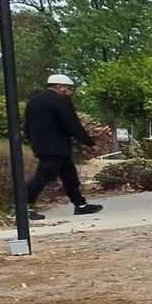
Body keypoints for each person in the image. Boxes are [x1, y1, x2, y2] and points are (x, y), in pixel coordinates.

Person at [23, 74, 103, 219]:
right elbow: (72, 124)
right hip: (56, 146)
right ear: (60, 87)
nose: (70, 92)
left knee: (70, 176)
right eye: (69, 88)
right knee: (42, 177)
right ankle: (23, 208)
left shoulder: (33, 101)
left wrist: (33, 141)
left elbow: (26, 127)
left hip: (41, 145)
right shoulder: (61, 100)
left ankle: (80, 204)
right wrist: (90, 143)